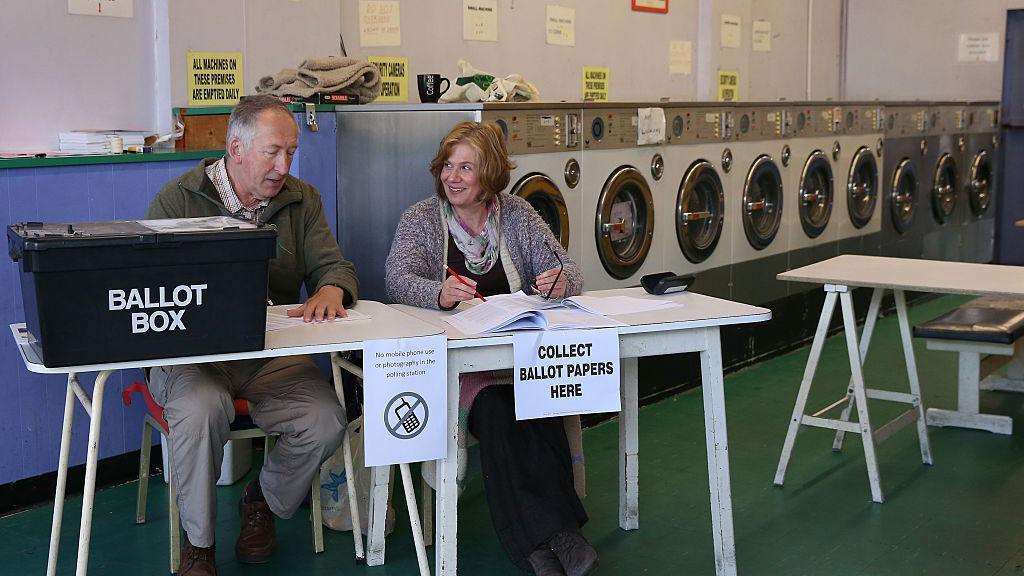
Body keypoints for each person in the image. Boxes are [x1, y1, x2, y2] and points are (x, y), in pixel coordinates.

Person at [145, 95, 358, 576]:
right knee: (200, 410)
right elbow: (148, 287)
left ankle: (260, 498)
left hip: (271, 355)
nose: (284, 165)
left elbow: (334, 264)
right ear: (236, 149)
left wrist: (331, 288)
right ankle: (198, 547)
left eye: (291, 151)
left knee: (325, 418)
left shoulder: (302, 200)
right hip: (193, 357)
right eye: (273, 151)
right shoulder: (178, 199)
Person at [385, 121, 598, 576]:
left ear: (491, 174)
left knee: (541, 404)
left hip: (518, 358)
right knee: (502, 412)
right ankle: (555, 540)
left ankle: (546, 543)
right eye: (447, 165)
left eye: (467, 167)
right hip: (459, 368)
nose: (453, 176)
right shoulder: (421, 219)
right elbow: (397, 279)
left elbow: (569, 270)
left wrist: (559, 283)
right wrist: (437, 294)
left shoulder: (517, 215)